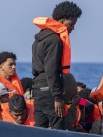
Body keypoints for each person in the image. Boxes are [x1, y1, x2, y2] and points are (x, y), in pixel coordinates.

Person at [32, 1, 82, 129]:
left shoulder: (40, 38)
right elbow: (51, 70)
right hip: (49, 90)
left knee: (40, 127)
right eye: (71, 24)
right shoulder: (55, 40)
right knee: (57, 127)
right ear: (62, 21)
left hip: (37, 87)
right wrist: (57, 97)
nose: (73, 28)